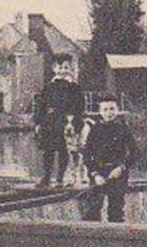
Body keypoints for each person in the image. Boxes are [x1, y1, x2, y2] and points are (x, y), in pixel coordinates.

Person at [80, 93, 138, 222]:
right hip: (98, 173)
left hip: (117, 174)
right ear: (100, 112)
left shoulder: (123, 129)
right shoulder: (95, 130)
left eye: (112, 109)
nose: (109, 113)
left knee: (116, 211)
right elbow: (87, 155)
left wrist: (121, 168)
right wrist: (95, 175)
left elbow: (134, 153)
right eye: (105, 109)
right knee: (92, 210)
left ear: (117, 110)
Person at [35, 54, 83, 187]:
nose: (63, 70)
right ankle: (46, 177)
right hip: (49, 123)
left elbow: (79, 107)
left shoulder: (74, 87)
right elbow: (41, 105)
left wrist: (76, 124)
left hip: (66, 123)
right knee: (48, 150)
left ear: (71, 69)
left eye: (66, 67)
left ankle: (60, 178)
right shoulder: (49, 86)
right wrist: (38, 122)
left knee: (64, 150)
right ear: (54, 68)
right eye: (60, 67)